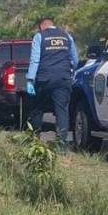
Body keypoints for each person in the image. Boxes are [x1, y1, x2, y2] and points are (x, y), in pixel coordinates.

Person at [26, 17, 79, 147]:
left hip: (45, 79)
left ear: (41, 27)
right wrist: (70, 71)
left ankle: (35, 141)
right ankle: (61, 145)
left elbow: (35, 60)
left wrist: (30, 80)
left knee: (37, 109)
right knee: (62, 111)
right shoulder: (67, 36)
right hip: (63, 79)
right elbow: (75, 59)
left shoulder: (39, 37)